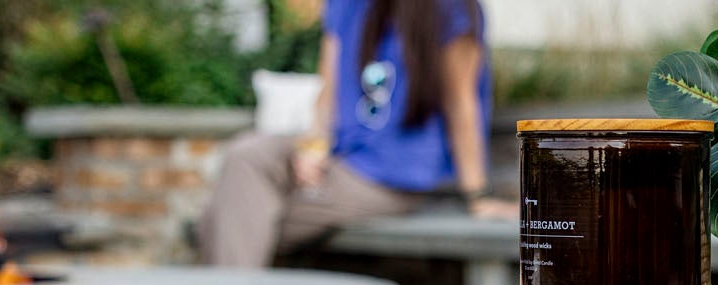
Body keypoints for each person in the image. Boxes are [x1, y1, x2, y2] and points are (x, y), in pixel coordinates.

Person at [199, 0, 510, 268]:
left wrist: (478, 195)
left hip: (390, 179)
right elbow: (328, 90)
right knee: (245, 155)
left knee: (219, 221)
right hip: (341, 157)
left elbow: (461, 104)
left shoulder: (451, 8)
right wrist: (313, 146)